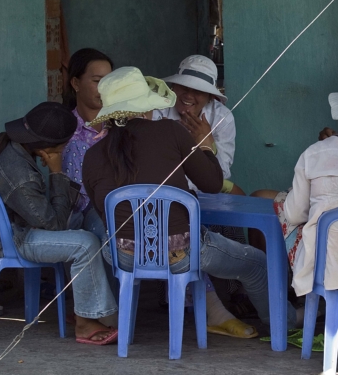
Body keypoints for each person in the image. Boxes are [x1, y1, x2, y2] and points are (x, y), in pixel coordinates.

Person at [82, 67, 301, 338]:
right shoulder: (170, 131)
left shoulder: (92, 155)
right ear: (146, 106)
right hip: (183, 254)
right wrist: (206, 145)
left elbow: (104, 211)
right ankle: (285, 324)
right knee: (256, 263)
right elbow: (212, 184)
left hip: (123, 256)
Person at [0, 102, 119, 345]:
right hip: (10, 239)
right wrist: (57, 172)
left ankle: (87, 311)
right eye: (63, 146)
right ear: (47, 149)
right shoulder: (21, 177)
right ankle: (85, 323)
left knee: (82, 236)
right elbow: (55, 224)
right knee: (86, 243)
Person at [252, 92, 338, 297]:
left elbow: (295, 214)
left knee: (289, 210)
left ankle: (289, 296)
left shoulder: (316, 152)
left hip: (326, 270)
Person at [154, 55, 243, 195]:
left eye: (198, 91)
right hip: (161, 190)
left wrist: (208, 144)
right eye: (184, 87)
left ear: (210, 97)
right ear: (173, 88)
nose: (188, 96)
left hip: (204, 193)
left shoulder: (222, 118)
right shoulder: (157, 109)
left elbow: (222, 173)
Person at [61, 48, 114, 232]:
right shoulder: (65, 130)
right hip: (82, 215)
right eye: (97, 81)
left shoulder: (119, 126)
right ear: (76, 83)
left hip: (122, 206)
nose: (105, 89)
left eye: (109, 82)